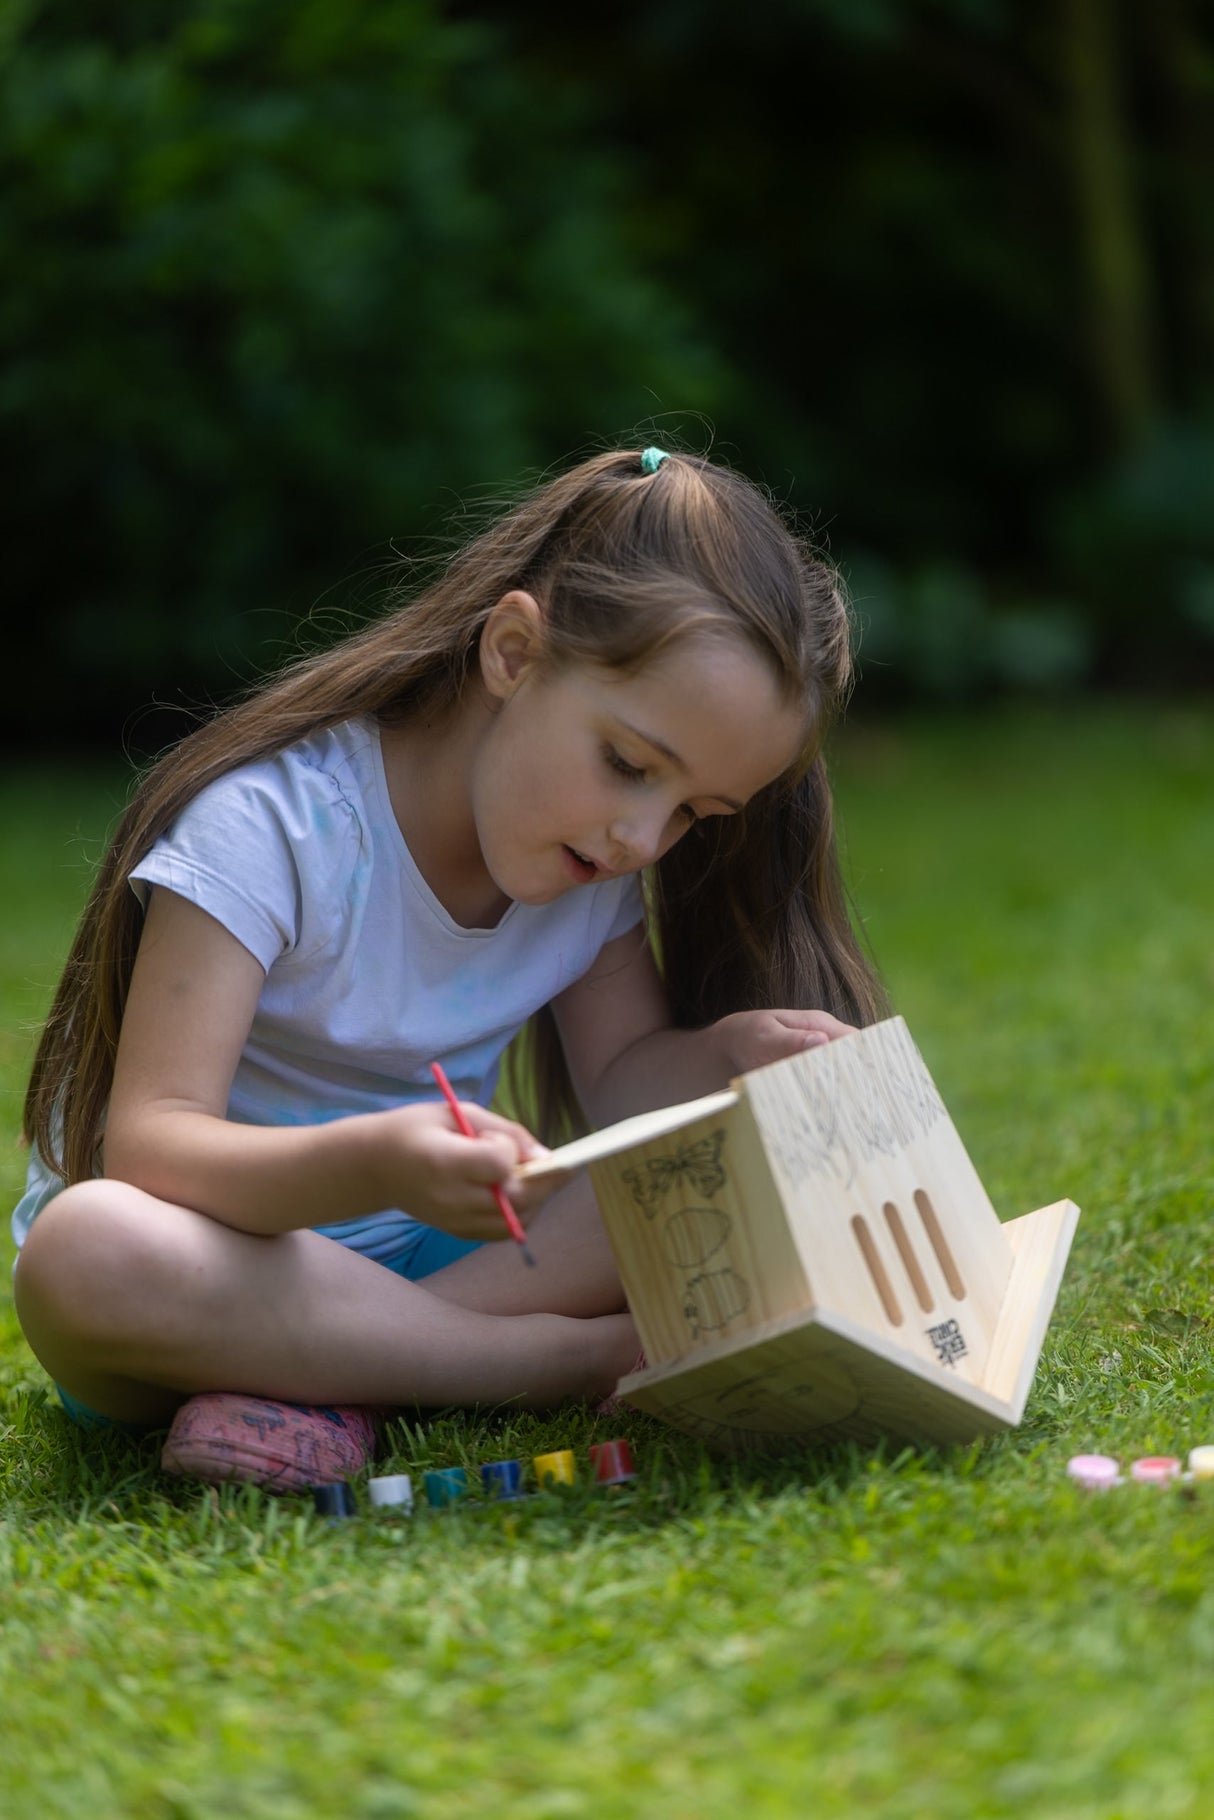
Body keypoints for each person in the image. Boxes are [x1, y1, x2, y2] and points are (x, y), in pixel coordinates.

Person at [11, 445, 886, 1490]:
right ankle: (554, 1360)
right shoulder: (271, 828)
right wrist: (374, 1163)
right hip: (215, 1263)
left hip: (441, 1261)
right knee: (84, 1247)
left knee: (713, 1160)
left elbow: (622, 1079)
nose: (642, 838)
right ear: (514, 651)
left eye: (692, 813)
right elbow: (149, 1146)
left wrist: (719, 1057)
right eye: (629, 765)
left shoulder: (591, 875)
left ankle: (337, 1374)